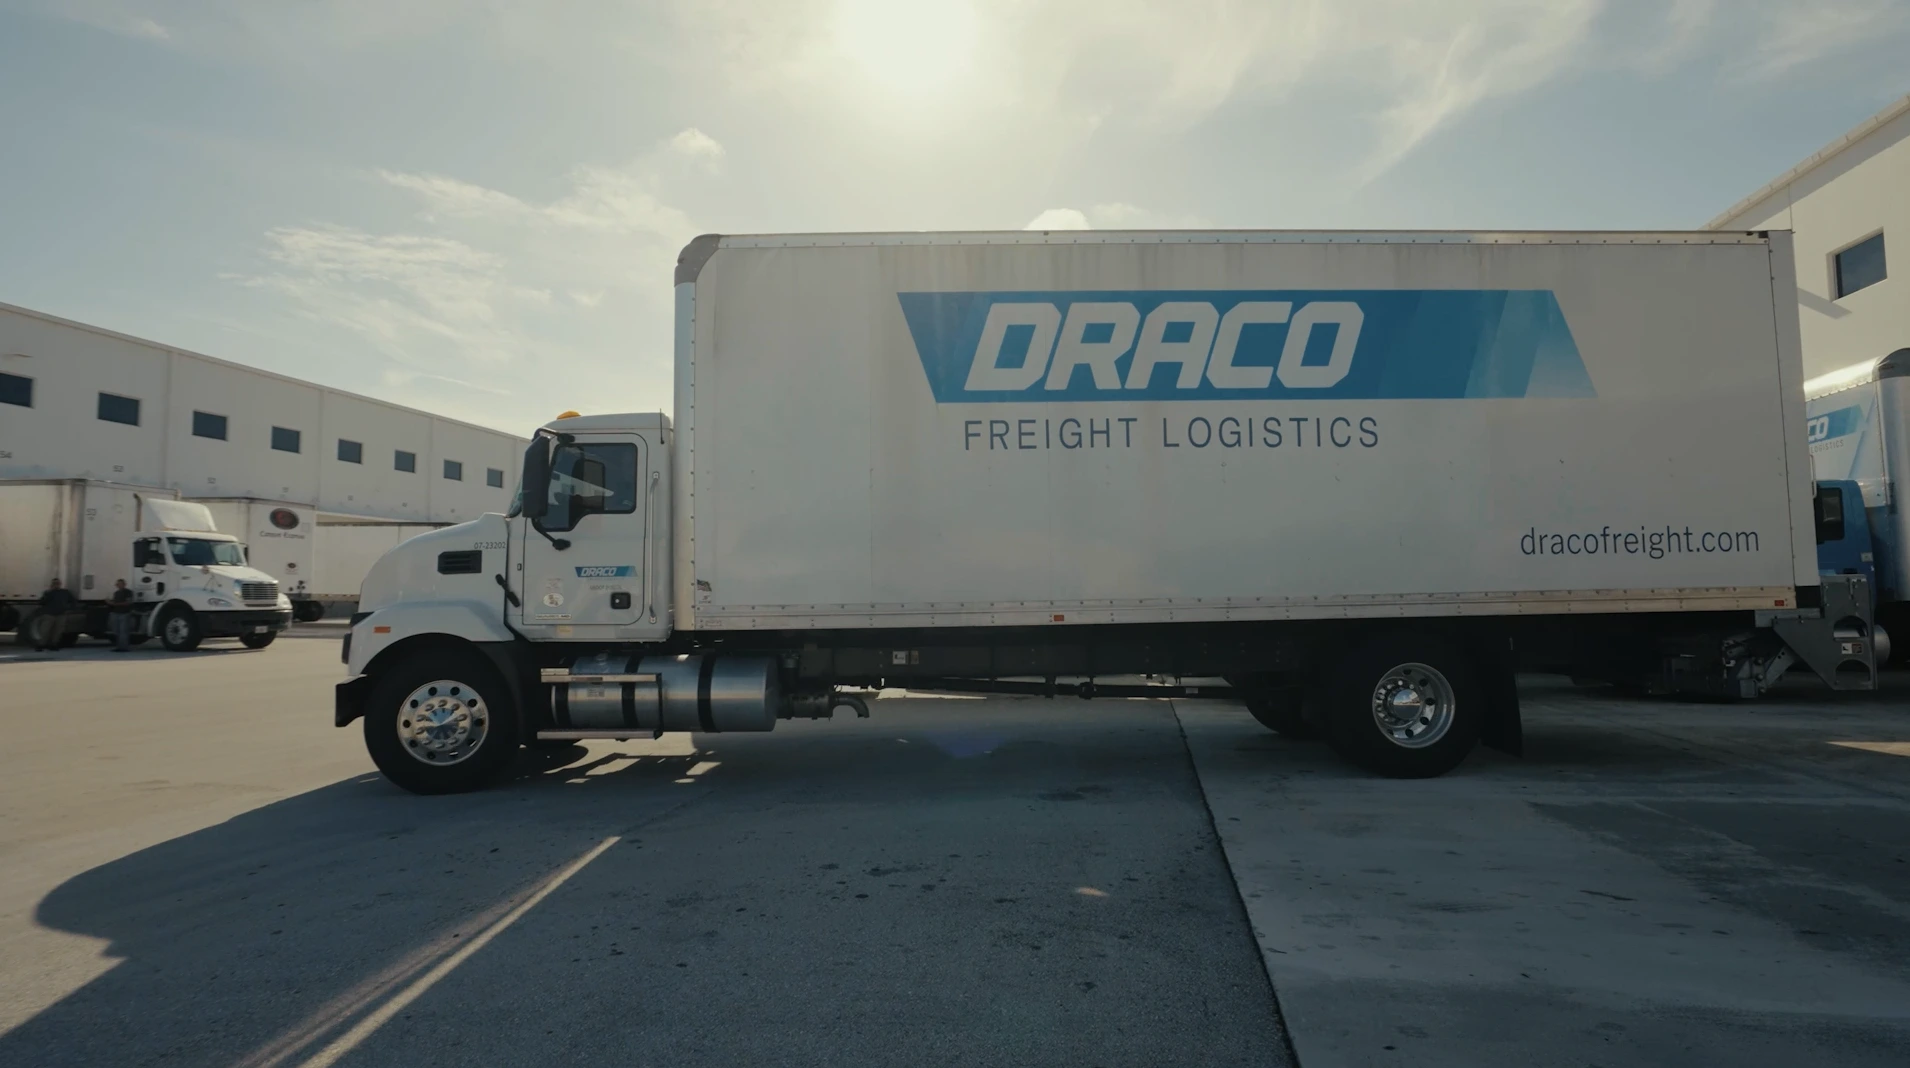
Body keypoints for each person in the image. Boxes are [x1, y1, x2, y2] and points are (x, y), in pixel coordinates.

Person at [36, 577, 75, 652]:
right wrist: (50, 592)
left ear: (60, 584)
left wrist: (68, 609)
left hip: (61, 614)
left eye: (57, 583)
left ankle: (53, 645)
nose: (56, 585)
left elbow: (73, 602)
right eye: (54, 583)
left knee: (58, 631)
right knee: (44, 630)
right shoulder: (48, 593)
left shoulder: (65, 592)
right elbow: (41, 602)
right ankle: (41, 645)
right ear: (52, 584)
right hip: (49, 614)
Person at [109, 578, 136, 652]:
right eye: (118, 584)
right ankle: (118, 646)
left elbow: (128, 602)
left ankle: (124, 647)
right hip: (116, 613)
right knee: (116, 631)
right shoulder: (116, 593)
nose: (118, 585)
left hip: (125, 613)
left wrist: (115, 604)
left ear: (124, 584)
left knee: (123, 631)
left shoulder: (128, 592)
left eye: (120, 584)